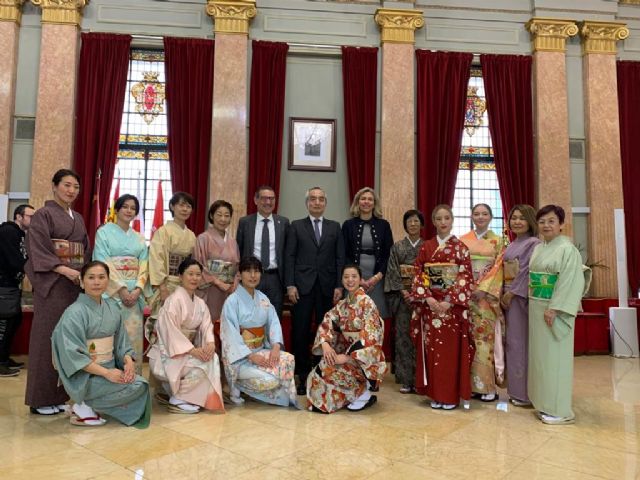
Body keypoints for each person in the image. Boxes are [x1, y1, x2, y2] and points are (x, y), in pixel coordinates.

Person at [51, 261, 150, 427]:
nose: (96, 282)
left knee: (140, 385)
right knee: (135, 386)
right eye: (91, 278)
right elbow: (73, 355)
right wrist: (106, 373)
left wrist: (128, 361)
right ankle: (82, 405)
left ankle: (87, 405)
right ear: (82, 282)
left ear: (108, 281)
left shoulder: (113, 308)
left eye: (101, 277)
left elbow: (121, 342)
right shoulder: (73, 313)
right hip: (85, 375)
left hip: (110, 367)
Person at [25, 169, 90, 415]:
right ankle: (40, 399)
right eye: (66, 185)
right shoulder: (42, 215)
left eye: (76, 186)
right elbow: (38, 248)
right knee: (47, 339)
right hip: (53, 284)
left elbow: (84, 250)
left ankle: (61, 395)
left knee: (68, 341)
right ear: (54, 186)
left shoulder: (78, 218)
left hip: (74, 284)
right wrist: (64, 270)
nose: (71, 190)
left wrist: (83, 274)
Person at [409, 204, 474, 410]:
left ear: (452, 220)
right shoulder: (426, 247)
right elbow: (418, 272)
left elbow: (465, 276)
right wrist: (427, 298)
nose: (443, 222)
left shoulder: (461, 248)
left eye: (447, 218)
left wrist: (449, 300)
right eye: (439, 219)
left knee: (450, 352)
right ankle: (435, 394)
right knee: (433, 351)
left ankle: (450, 396)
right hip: (431, 306)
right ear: (433, 222)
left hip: (451, 307)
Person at [528, 205, 586, 425]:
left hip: (552, 308)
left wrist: (555, 308)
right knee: (541, 359)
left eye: (551, 221)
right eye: (542, 221)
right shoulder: (539, 248)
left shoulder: (567, 249)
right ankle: (544, 404)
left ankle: (560, 410)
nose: (546, 225)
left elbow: (570, 281)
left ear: (561, 224)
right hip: (536, 306)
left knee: (555, 359)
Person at [285, 186, 345, 395]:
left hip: (327, 287)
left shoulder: (334, 227)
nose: (317, 202)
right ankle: (302, 375)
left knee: (324, 332)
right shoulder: (296, 226)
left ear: (325, 203)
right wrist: (290, 284)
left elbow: (339, 258)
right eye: (313, 199)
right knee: (300, 332)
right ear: (307, 203)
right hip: (302, 287)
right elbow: (290, 257)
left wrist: (339, 285)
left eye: (321, 199)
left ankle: (321, 373)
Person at [147, 258, 225, 414]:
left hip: (186, 352)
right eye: (190, 274)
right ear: (180, 276)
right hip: (167, 354)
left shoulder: (200, 303)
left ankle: (184, 396)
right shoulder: (173, 301)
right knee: (205, 365)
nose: (194, 278)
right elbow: (170, 333)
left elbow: (206, 326)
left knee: (212, 358)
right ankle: (178, 398)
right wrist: (192, 350)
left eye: (198, 274)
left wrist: (210, 344)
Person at [307, 264, 386, 413]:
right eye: (346, 277)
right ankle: (350, 396)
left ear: (360, 279)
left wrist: (347, 357)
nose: (350, 280)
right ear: (342, 280)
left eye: (354, 276)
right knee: (318, 373)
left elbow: (371, 335)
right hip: (347, 353)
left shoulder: (367, 303)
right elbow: (327, 320)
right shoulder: (342, 305)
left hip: (364, 358)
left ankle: (364, 392)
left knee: (331, 371)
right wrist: (325, 344)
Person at [220, 256, 298, 407]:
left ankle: (257, 390)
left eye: (256, 271)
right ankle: (240, 386)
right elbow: (230, 334)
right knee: (271, 380)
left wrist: (276, 346)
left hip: (260, 350)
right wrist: (250, 355)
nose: (253, 275)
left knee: (288, 359)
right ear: (239, 274)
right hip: (240, 358)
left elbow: (274, 322)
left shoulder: (263, 299)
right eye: (248, 271)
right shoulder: (232, 302)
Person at [93, 194, 149, 374]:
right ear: (116, 209)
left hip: (134, 295)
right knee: (111, 336)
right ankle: (109, 377)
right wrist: (122, 289)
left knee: (132, 337)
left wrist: (138, 289)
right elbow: (102, 260)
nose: (129, 211)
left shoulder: (139, 238)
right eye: (125, 206)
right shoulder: (103, 232)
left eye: (133, 208)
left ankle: (132, 378)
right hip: (112, 294)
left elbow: (144, 265)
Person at [460, 203, 505, 402]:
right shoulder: (462, 240)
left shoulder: (498, 241)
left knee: (485, 342)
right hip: (467, 297)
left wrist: (483, 289)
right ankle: (470, 386)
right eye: (476, 214)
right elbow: (458, 267)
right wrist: (467, 288)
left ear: (490, 217)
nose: (480, 217)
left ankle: (487, 387)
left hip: (486, 299)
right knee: (468, 340)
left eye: (484, 214)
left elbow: (499, 267)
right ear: (471, 216)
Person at [500, 204, 540, 407]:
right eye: (513, 218)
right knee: (512, 343)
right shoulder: (512, 244)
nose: (517, 222)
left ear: (530, 221)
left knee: (520, 343)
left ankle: (525, 393)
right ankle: (516, 390)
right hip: (507, 295)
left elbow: (526, 270)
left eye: (522, 218)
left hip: (519, 297)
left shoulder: (533, 243)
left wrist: (512, 292)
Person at [384, 209, 424, 393]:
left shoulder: (427, 246)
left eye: (416, 221)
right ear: (405, 225)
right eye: (409, 221)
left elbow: (429, 272)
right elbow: (393, 271)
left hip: (422, 299)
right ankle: (406, 379)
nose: (413, 224)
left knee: (421, 337)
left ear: (421, 224)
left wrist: (418, 292)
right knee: (403, 337)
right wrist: (405, 292)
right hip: (402, 299)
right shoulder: (397, 247)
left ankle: (421, 378)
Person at [236, 186, 289, 319]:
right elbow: (239, 250)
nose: (268, 202)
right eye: (264, 198)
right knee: (249, 316)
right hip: (252, 276)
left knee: (274, 317)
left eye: (271, 198)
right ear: (256, 200)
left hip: (275, 278)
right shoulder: (245, 222)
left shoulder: (283, 222)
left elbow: (288, 253)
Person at [342, 187, 393, 318]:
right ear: (357, 202)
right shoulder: (348, 225)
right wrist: (358, 279)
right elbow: (344, 254)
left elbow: (388, 254)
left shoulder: (384, 225)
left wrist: (376, 278)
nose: (366, 202)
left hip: (377, 279)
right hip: (353, 279)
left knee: (375, 317)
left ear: (374, 203)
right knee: (354, 317)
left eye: (370, 199)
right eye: (363, 199)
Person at [148, 192, 196, 319]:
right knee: (164, 320)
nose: (185, 209)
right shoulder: (163, 232)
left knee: (182, 321)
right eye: (181, 205)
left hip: (185, 284)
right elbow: (156, 259)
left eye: (188, 206)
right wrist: (162, 288)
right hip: (167, 284)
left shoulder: (191, 235)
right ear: (172, 206)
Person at [0, 204, 34, 377]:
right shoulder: (8, 231)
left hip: (12, 285)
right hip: (3, 285)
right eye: (30, 216)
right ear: (19, 217)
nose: (33, 220)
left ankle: (4, 358)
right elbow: (15, 261)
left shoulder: (21, 234)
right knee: (5, 324)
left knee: (15, 320)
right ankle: (0, 363)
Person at [194, 200, 240, 322]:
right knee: (207, 324)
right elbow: (198, 265)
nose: (223, 219)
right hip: (209, 289)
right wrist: (218, 282)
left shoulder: (232, 241)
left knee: (225, 324)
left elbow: (237, 267)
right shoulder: (203, 238)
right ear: (211, 216)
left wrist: (233, 285)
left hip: (228, 290)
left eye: (227, 215)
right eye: (219, 215)